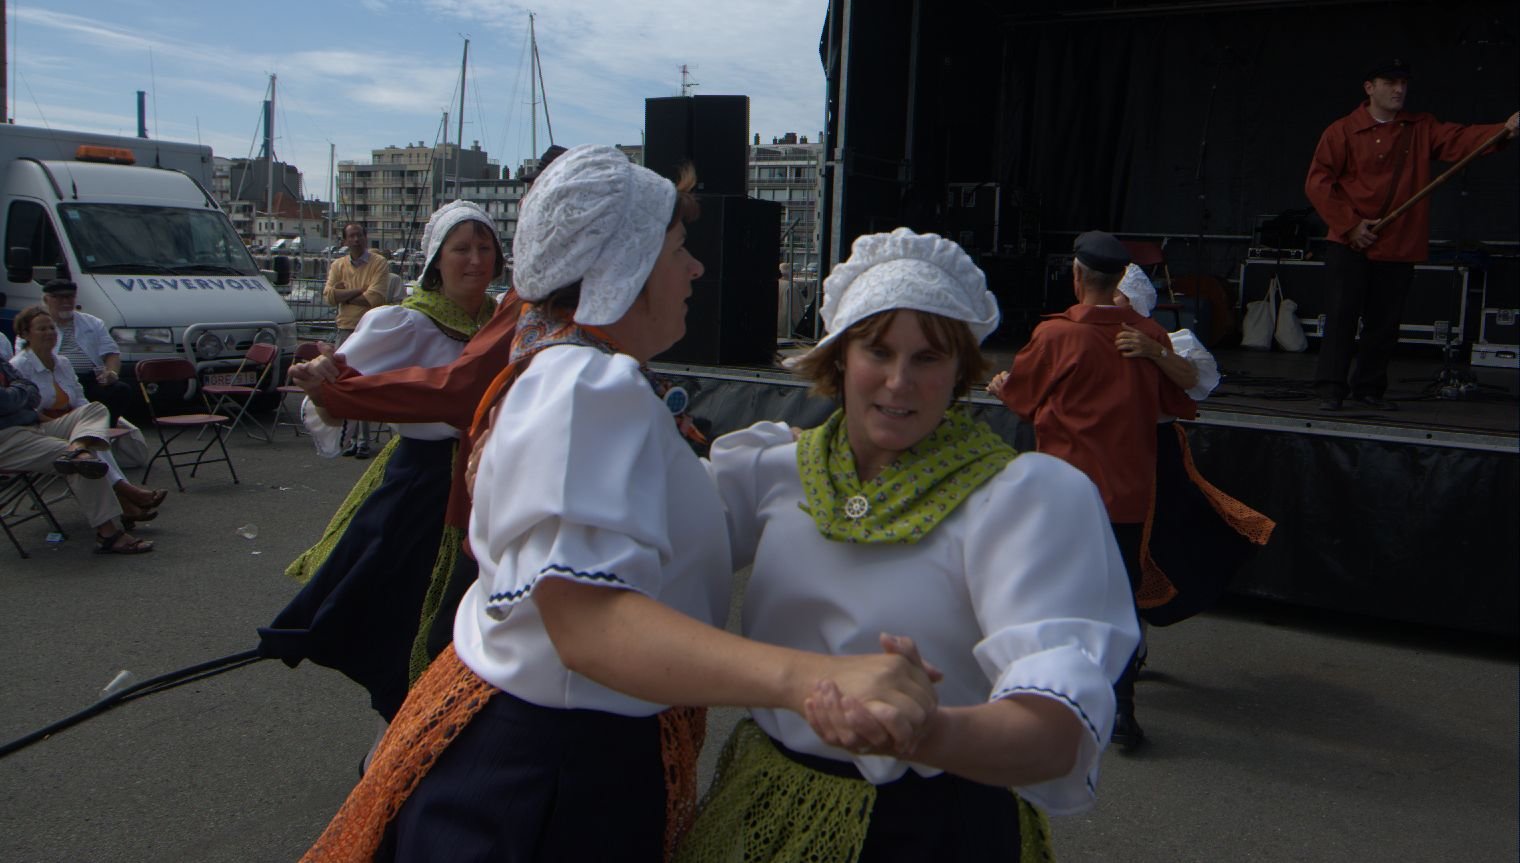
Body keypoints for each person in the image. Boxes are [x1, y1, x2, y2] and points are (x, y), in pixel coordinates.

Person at [302, 146, 937, 863]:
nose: (695, 267)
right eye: (678, 249)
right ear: (623, 268)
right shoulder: (581, 390)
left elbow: (670, 518)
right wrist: (812, 677)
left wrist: (806, 454)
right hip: (549, 777)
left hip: (554, 751)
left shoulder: (589, 375)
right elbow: (590, 625)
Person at [678, 229, 1139, 862]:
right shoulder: (774, 468)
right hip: (768, 805)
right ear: (840, 357)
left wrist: (923, 732)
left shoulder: (1020, 498)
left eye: (927, 359)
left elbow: (1055, 731)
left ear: (958, 373)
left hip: (935, 828)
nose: (899, 381)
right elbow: (638, 553)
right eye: (877, 351)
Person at [259, 202, 504, 728]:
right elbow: (331, 396)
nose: (476, 260)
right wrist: (326, 381)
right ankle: (393, 749)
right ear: (436, 259)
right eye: (462, 249)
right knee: (409, 618)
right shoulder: (404, 322)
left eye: (485, 248)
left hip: (489, 483)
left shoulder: (502, 320)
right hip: (424, 486)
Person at [989, 231, 1195, 750]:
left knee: (1050, 595)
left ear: (1077, 276)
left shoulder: (1057, 336)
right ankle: (1121, 709)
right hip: (1126, 491)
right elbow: (1186, 393)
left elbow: (1022, 397)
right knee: (1117, 599)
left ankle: (1049, 699)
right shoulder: (1149, 334)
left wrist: (1001, 387)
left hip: (1065, 491)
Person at [1305, 59, 1518, 411]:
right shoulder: (1341, 131)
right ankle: (1330, 387)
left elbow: (1460, 139)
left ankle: (1369, 388)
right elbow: (1318, 182)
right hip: (1350, 241)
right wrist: (1351, 226)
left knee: (1384, 323)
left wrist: (1504, 129)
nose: (1399, 89)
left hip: (1397, 242)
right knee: (1342, 317)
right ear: (1369, 87)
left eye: (1403, 83)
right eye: (1390, 82)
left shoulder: (1420, 128)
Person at [1111, 266, 1275, 627]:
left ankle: (1133, 640)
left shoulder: (1170, 341)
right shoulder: (1088, 337)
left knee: (1155, 542)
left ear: (1132, 299)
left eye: (1116, 293)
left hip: (1155, 452)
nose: (1107, 299)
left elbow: (1193, 379)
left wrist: (1155, 351)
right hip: (1110, 453)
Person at [11, 307, 168, 528]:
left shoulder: (62, 362)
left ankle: (125, 503)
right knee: (88, 442)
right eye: (41, 329)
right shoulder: (19, 366)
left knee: (91, 428)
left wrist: (84, 422)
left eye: (51, 328)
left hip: (72, 422)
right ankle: (126, 491)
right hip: (41, 425)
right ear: (26, 334)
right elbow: (28, 411)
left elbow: (80, 399)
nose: (49, 332)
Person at [0, 353, 151, 554]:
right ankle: (108, 534)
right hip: (6, 440)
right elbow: (7, 400)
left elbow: (32, 392)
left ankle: (78, 445)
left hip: (33, 425)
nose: (49, 333)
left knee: (94, 409)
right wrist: (20, 390)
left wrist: (18, 392)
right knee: (82, 463)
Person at [323, 221, 390, 457]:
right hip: (344, 329)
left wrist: (345, 295)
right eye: (351, 236)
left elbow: (376, 297)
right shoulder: (338, 265)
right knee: (346, 385)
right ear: (344, 241)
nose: (356, 240)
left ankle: (364, 441)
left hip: (368, 329)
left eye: (359, 235)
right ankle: (350, 439)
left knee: (363, 383)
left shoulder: (379, 263)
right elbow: (329, 296)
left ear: (365, 237)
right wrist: (357, 292)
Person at [40, 279, 132, 426]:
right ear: (46, 299)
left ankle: (105, 431)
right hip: (55, 380)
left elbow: (112, 354)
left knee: (120, 390)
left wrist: (111, 374)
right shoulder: (37, 326)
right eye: (59, 297)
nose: (65, 301)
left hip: (90, 378)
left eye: (70, 297)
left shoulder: (93, 323)